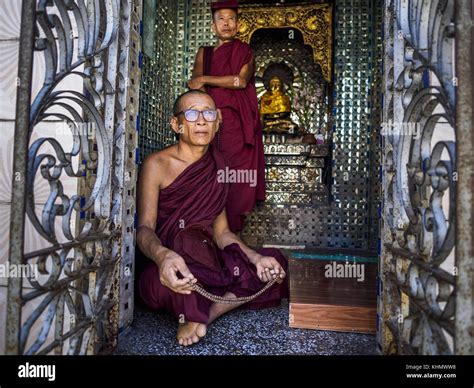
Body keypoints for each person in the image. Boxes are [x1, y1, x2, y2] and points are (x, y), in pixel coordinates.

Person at [136, 89, 288, 347]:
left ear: (218, 122)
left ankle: (207, 313)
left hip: (207, 260)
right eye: (192, 113)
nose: (202, 120)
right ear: (177, 124)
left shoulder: (219, 164)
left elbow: (222, 233)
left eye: (209, 113)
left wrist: (256, 257)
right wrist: (163, 256)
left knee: (273, 264)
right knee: (174, 284)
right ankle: (201, 304)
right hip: (169, 263)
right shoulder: (156, 164)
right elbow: (144, 229)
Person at [188, 0, 265, 233]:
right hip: (209, 123)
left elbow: (239, 81)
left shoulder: (246, 52)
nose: (226, 24)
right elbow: (195, 83)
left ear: (238, 25)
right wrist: (209, 111)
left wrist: (206, 79)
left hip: (237, 127)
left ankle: (230, 236)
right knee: (208, 173)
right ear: (213, 26)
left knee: (236, 180)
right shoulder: (205, 53)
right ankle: (207, 236)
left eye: (231, 19)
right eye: (221, 19)